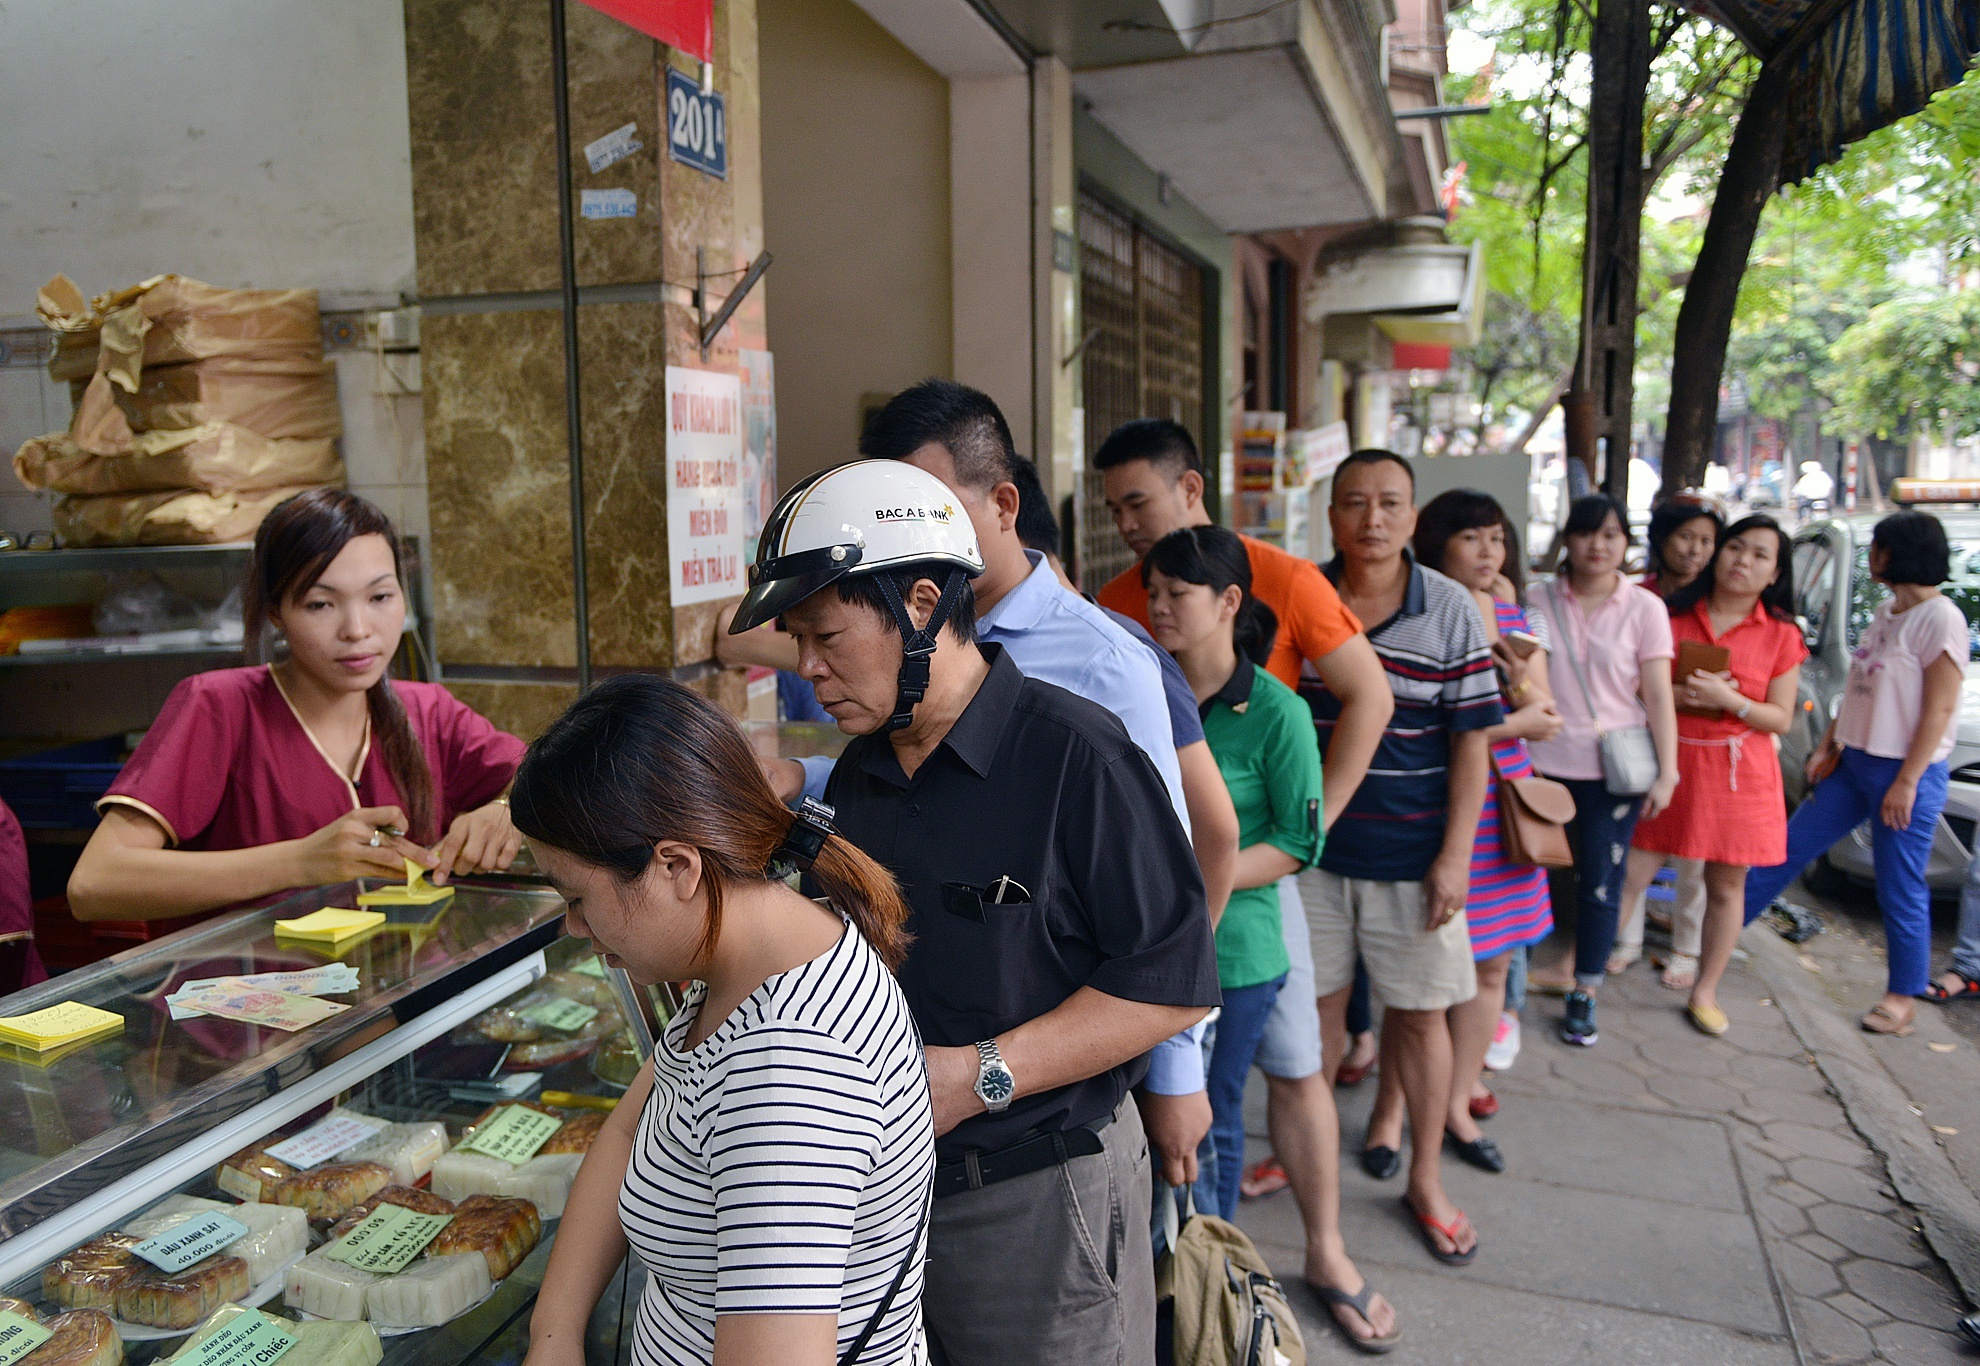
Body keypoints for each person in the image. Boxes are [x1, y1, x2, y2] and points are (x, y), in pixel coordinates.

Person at [730, 458, 1220, 1364]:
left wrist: (980, 1074)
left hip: (1038, 1198)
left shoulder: (1078, 756)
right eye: (797, 640)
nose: (808, 670)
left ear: (922, 604)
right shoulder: (867, 774)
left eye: (826, 636)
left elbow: (1173, 982)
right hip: (887, 1206)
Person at [514, 676, 933, 1366]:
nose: (573, 927)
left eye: (579, 898)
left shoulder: (792, 1072)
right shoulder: (755, 957)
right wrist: (554, 1335)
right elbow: (630, 1124)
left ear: (675, 865)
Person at [1089, 417, 1393, 1210]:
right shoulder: (1118, 608)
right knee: (1165, 1100)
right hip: (1152, 908)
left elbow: (1368, 695)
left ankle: (1300, 1254)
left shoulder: (1281, 584)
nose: (1124, 524)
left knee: (1282, 1073)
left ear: (1189, 488)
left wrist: (1303, 830)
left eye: (1137, 502)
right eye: (1113, 508)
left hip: (1251, 899)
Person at [1144, 525, 1399, 1351]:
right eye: (1151, 594)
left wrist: (1199, 880)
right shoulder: (1146, 687)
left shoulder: (1278, 710)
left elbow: (1300, 839)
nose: (1156, 609)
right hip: (1148, 945)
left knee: (1210, 1121)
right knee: (1160, 1120)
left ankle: (1213, 1301)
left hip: (1239, 952)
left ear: (1227, 604)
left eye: (1174, 595)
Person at [68, 489, 525, 921]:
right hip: (251, 996)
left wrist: (507, 809)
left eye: (380, 597)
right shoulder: (218, 706)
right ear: (275, 611)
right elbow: (94, 884)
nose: (358, 629)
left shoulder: (428, 711)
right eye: (321, 604)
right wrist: (301, 861)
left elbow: (548, 771)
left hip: (403, 991)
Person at [1305, 450, 1501, 1267]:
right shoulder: (1301, 596)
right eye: (1355, 502)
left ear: (1414, 519)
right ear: (1333, 517)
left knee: (1420, 1022)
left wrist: (1455, 856)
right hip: (1309, 859)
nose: (1372, 519)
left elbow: (1473, 745)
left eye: (1390, 504)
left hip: (1412, 862)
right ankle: (1303, 1150)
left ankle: (1424, 1177)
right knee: (1309, 1020)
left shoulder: (1452, 608)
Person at [1747, 511, 1965, 1037]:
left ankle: (1901, 996)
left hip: (1905, 771)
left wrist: (1908, 781)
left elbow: (1938, 710)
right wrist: (1828, 745)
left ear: (1902, 553)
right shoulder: (1887, 613)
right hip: (1854, 763)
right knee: (1786, 848)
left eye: (1879, 547)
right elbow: (1858, 691)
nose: (1872, 556)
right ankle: (1714, 936)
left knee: (1899, 886)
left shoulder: (1941, 619)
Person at [1404, 490, 1559, 1172]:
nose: (1489, 551)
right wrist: (1511, 722)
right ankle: (1403, 1106)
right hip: (1445, 799)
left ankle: (1460, 1097)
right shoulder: (1424, 610)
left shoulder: (1515, 614)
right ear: (1438, 543)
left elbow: (1546, 712)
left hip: (1509, 807)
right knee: (1428, 966)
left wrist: (1520, 688)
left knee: (1494, 963)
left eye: (1497, 537)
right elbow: (1423, 724)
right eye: (1472, 538)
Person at [1629, 516, 1805, 1037]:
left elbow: (1781, 717)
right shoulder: (1670, 613)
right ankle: (1581, 968)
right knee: (1631, 872)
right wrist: (1677, 697)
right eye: (1735, 547)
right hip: (1669, 761)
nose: (1742, 561)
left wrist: (1733, 702)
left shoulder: (1781, 634)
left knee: (1725, 887)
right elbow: (1632, 685)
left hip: (1739, 775)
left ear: (1774, 573)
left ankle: (1705, 989)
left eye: (1759, 555)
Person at [1524, 493, 1680, 1047]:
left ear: (1626, 544)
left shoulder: (1645, 609)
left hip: (1612, 773)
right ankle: (1507, 990)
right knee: (1524, 876)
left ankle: (1584, 991)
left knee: (1598, 885)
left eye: (1612, 535)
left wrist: (1669, 772)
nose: (1599, 545)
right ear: (1568, 539)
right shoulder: (1536, 601)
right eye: (1588, 533)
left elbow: (1658, 695)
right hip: (1537, 764)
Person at [1612, 498, 1724, 988]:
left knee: (1694, 851)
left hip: (1698, 740)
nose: (1695, 550)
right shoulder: (1635, 596)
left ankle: (1686, 947)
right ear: (1661, 539)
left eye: (1706, 541)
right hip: (1636, 734)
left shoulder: (1717, 601)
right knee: (1636, 839)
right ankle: (1625, 940)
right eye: (1685, 538)